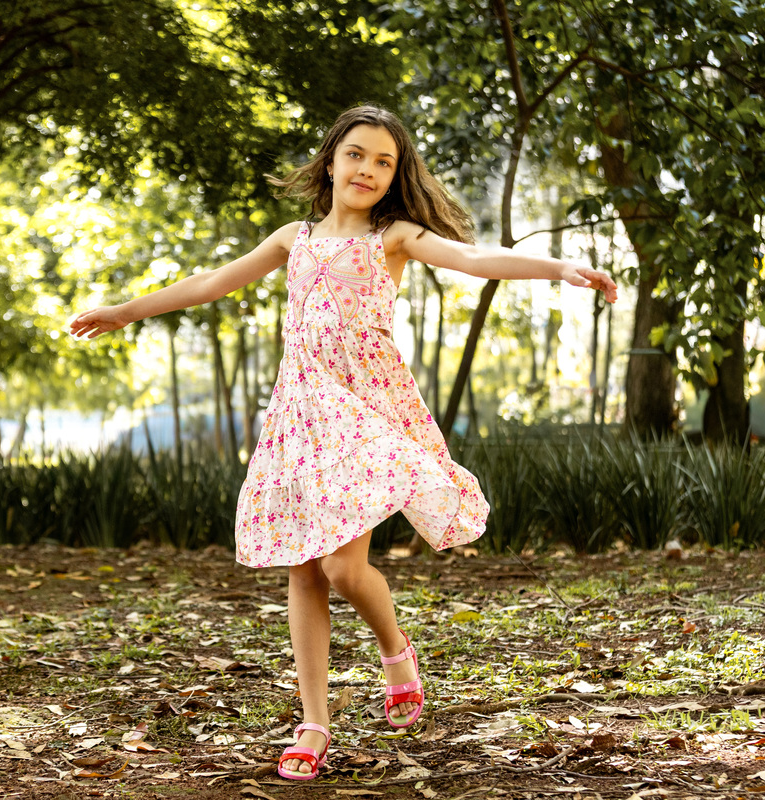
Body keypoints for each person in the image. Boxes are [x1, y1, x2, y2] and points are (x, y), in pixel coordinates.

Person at [69, 104, 618, 780]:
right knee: (304, 568)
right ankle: (314, 722)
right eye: (356, 154)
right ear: (330, 161)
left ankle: (395, 651)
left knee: (342, 570)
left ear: (395, 177)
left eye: (384, 162)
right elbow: (213, 282)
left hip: (363, 409)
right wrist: (126, 310)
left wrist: (559, 270)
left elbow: (474, 258)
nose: (368, 169)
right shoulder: (291, 239)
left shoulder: (395, 238)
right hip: (300, 416)